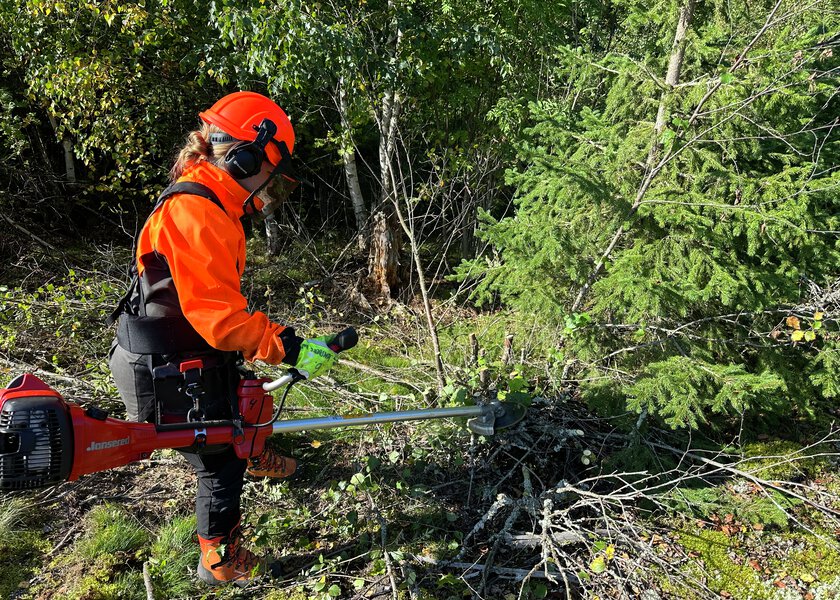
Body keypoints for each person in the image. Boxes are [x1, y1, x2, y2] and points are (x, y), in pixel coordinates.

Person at [108, 91, 338, 586]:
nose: (268, 192)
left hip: (183, 349)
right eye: (269, 176)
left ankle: (252, 451)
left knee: (242, 398)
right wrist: (290, 346)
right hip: (164, 364)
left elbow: (211, 307)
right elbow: (222, 319)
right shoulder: (198, 210)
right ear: (245, 155)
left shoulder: (211, 200)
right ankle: (220, 564)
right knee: (219, 459)